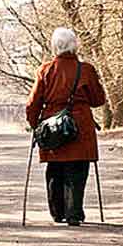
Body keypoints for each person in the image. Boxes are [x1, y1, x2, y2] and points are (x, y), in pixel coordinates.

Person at [26, 28, 107, 227]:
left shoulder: (45, 70)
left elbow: (33, 103)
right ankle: (74, 213)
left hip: (52, 125)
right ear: (74, 46)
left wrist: (36, 125)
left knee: (55, 168)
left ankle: (58, 212)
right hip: (79, 125)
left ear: (54, 46)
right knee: (77, 169)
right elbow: (98, 99)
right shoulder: (86, 70)